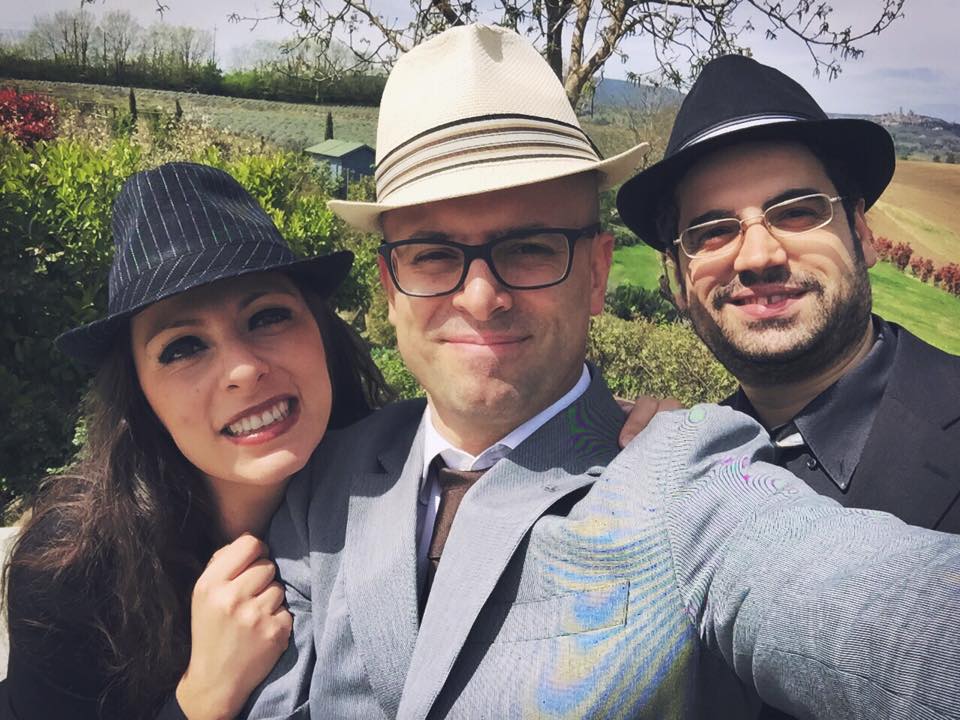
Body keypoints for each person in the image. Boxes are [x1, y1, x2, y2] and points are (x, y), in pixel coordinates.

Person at [244, 25, 960, 720]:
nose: (481, 297)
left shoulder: (684, 472)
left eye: (529, 248)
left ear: (595, 274)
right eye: (433, 255)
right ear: (390, 288)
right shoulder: (326, 482)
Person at [0, 162, 388, 720]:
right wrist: (203, 695)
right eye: (183, 347)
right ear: (140, 395)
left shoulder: (405, 498)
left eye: (268, 316)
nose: (244, 370)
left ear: (321, 331)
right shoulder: (71, 574)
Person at [616, 54, 960, 533]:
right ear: (678, 279)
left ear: (862, 234)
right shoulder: (682, 465)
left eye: (797, 212)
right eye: (713, 232)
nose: (758, 256)